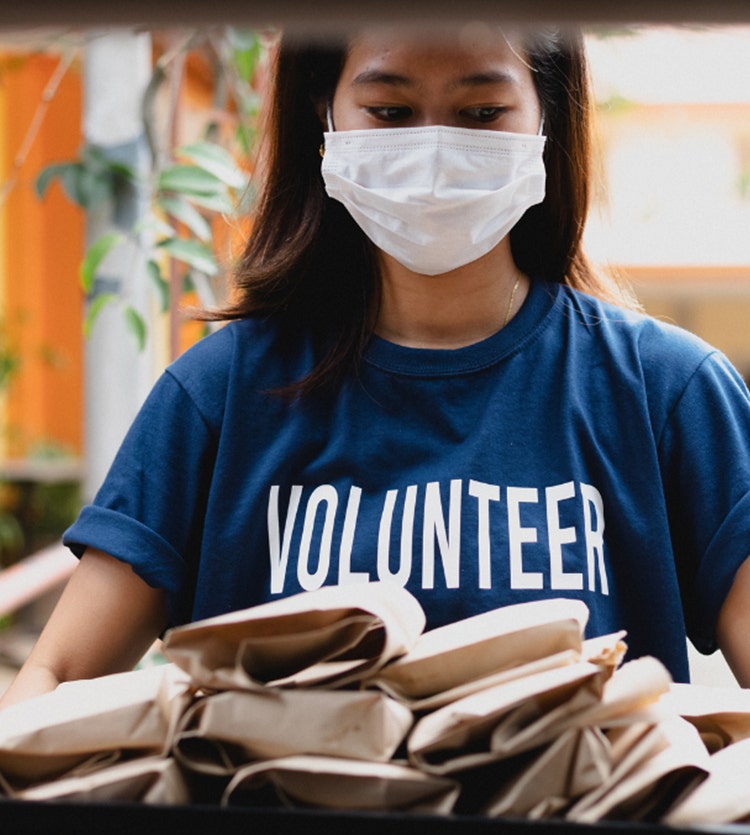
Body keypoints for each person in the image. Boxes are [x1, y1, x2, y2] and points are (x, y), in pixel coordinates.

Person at [2, 24, 750, 710]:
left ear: (548, 121)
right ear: (323, 120)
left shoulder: (669, 393)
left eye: (482, 113)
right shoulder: (218, 397)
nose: (433, 150)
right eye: (390, 113)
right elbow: (58, 678)